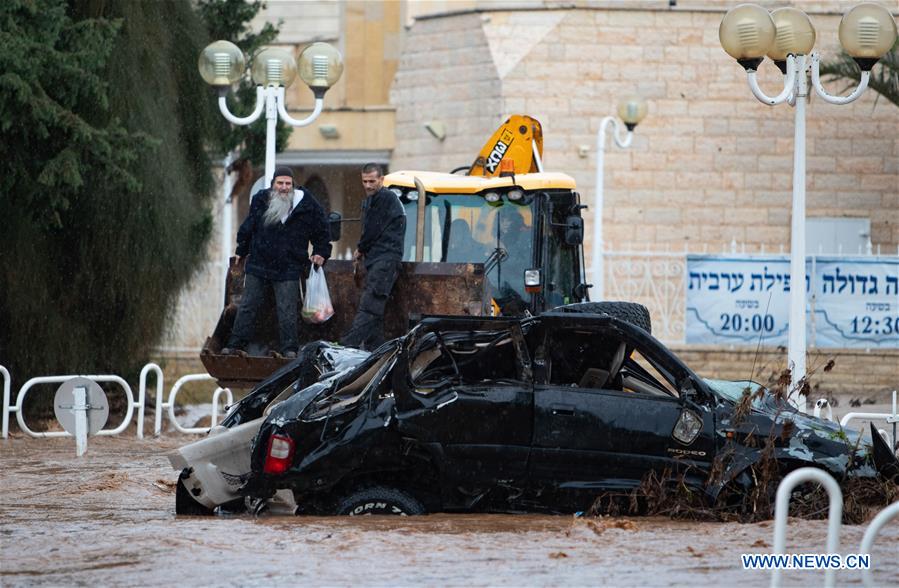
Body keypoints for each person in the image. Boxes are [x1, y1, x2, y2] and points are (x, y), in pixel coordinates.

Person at [222, 166, 331, 359]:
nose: (284, 187)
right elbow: (249, 226)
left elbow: (321, 229)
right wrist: (241, 250)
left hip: (289, 266)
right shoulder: (261, 200)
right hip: (259, 263)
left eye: (288, 184)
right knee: (248, 305)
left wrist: (321, 251)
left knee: (287, 309)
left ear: (293, 185)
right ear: (273, 185)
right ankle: (234, 345)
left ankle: (289, 349)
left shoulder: (306, 204)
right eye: (280, 183)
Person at [341, 163, 406, 350]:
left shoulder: (385, 198)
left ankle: (348, 345)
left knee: (370, 305)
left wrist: (360, 249)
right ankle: (374, 348)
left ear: (382, 180)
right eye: (364, 181)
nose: (368, 185)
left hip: (384, 260)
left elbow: (372, 229)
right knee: (374, 309)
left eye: (372, 181)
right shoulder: (376, 199)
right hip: (378, 259)